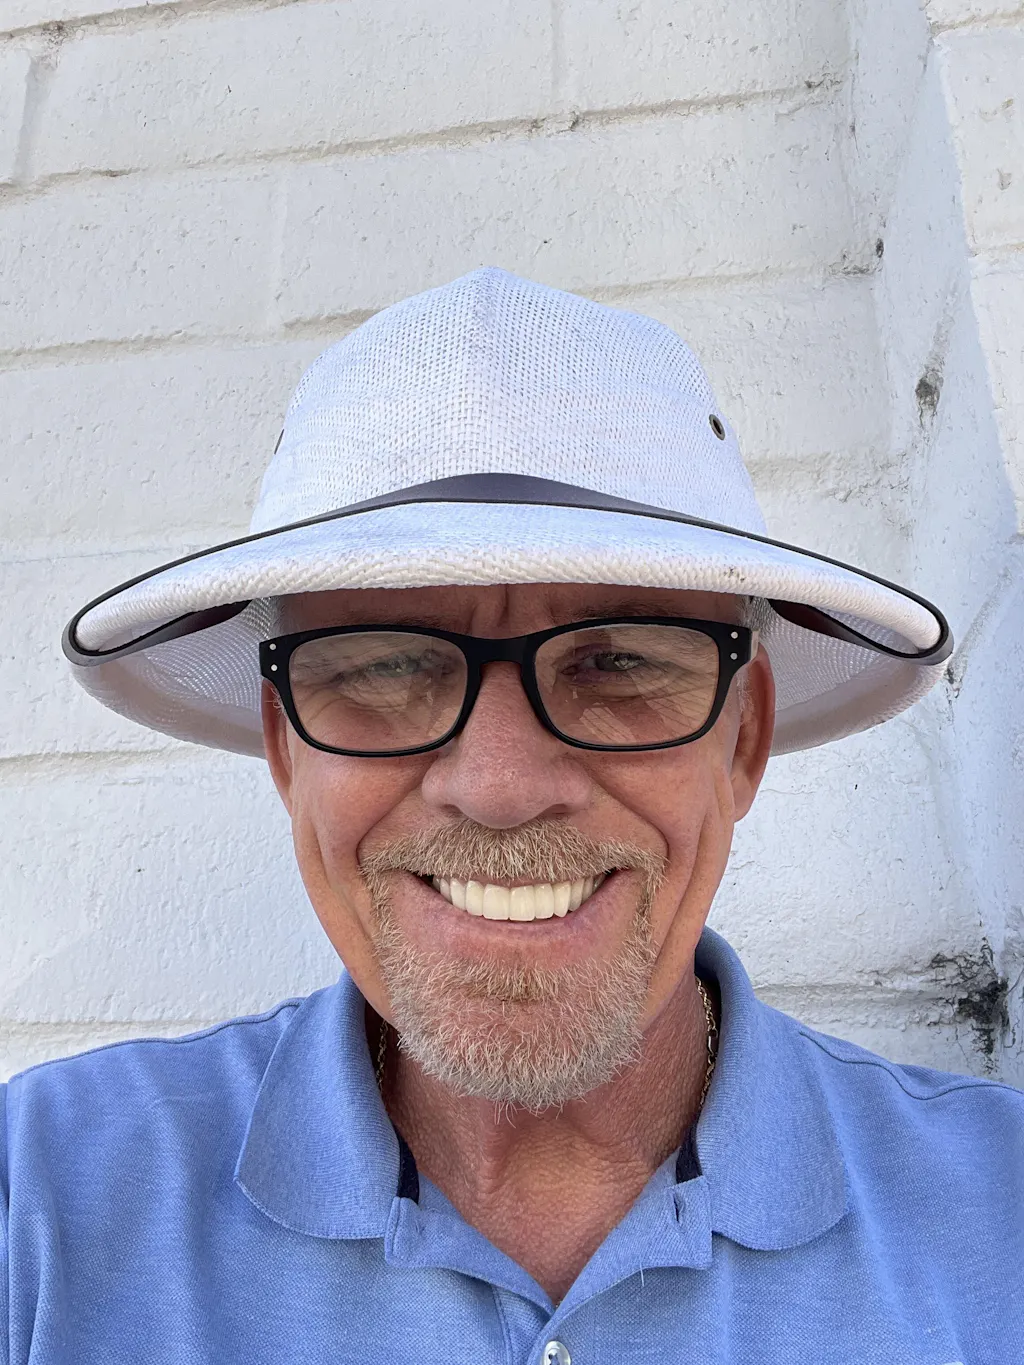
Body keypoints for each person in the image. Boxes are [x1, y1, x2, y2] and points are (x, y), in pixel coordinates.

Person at [4, 268, 1020, 1363]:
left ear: (742, 739)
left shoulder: (999, 1211)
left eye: (619, 661)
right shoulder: (41, 1202)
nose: (499, 785)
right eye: (385, 664)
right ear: (286, 747)